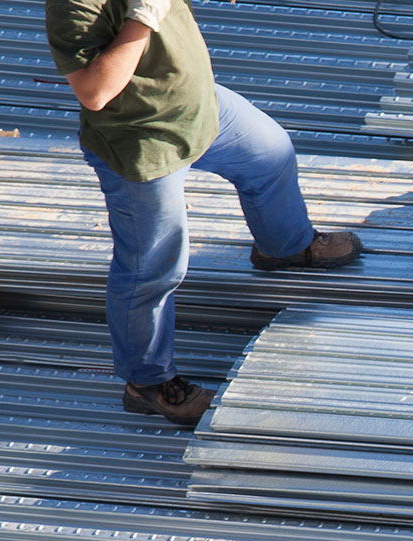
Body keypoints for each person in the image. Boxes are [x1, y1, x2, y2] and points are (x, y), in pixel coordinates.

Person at [46, 0, 364, 426]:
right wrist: (143, 16)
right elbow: (94, 92)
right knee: (152, 270)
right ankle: (148, 383)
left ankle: (283, 247)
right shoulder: (73, 5)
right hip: (144, 143)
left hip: (202, 108)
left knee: (270, 155)